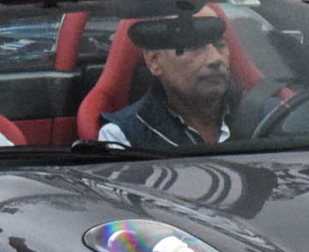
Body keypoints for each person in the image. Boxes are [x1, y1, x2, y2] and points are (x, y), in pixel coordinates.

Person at [99, 10, 235, 150]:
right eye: (194, 47)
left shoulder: (255, 118)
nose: (216, 59)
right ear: (154, 61)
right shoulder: (123, 137)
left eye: (220, 45)